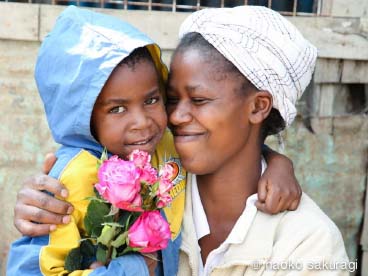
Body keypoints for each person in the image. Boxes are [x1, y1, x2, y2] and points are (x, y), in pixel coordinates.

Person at [8, 5, 302, 276]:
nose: (143, 122)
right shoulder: (68, 182)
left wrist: (277, 162)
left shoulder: (162, 148)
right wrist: (134, 269)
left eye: (152, 100)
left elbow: (233, 145)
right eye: (117, 109)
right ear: (82, 115)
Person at [165, 6, 349, 275]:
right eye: (171, 99)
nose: (176, 116)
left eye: (199, 100)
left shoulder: (308, 243)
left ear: (258, 107)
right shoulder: (151, 191)